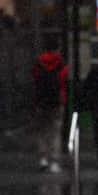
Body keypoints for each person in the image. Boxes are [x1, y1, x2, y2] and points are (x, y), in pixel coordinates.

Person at [31, 43, 69, 175]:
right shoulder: (61, 64)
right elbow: (64, 82)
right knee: (55, 132)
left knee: (42, 131)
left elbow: (34, 80)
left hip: (41, 102)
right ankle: (54, 161)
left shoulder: (38, 63)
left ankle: (43, 159)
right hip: (56, 103)